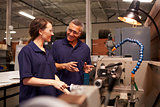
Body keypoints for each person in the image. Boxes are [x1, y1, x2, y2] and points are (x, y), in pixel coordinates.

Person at [18, 18, 69, 103]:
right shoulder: (26, 51)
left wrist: (67, 92)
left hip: (49, 99)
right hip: (33, 101)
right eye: (50, 31)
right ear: (40, 31)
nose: (52, 34)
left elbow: (53, 74)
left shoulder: (47, 52)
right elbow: (26, 80)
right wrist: (52, 82)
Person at [51, 19, 94, 87]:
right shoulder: (57, 45)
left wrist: (86, 70)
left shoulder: (85, 48)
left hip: (78, 89)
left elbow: (87, 69)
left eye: (75, 32)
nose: (71, 34)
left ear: (80, 34)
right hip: (59, 88)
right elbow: (49, 66)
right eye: (69, 30)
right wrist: (64, 66)